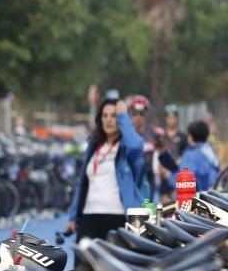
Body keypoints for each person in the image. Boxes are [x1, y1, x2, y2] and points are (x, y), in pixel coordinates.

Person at [66, 98, 144, 241]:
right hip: (88, 217)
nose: (108, 120)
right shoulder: (94, 146)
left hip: (118, 218)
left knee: (111, 264)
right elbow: (83, 183)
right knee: (83, 263)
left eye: (114, 116)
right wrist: (73, 216)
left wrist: (123, 115)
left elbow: (136, 145)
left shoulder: (126, 149)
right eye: (105, 115)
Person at [161, 120, 220, 192]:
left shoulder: (191, 155)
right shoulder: (209, 151)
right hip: (212, 197)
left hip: (197, 199)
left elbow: (185, 183)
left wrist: (169, 176)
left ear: (191, 137)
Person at [128, 95, 157, 201]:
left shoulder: (154, 134)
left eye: (141, 114)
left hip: (148, 183)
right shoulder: (126, 135)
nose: (138, 117)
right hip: (130, 182)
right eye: (134, 113)